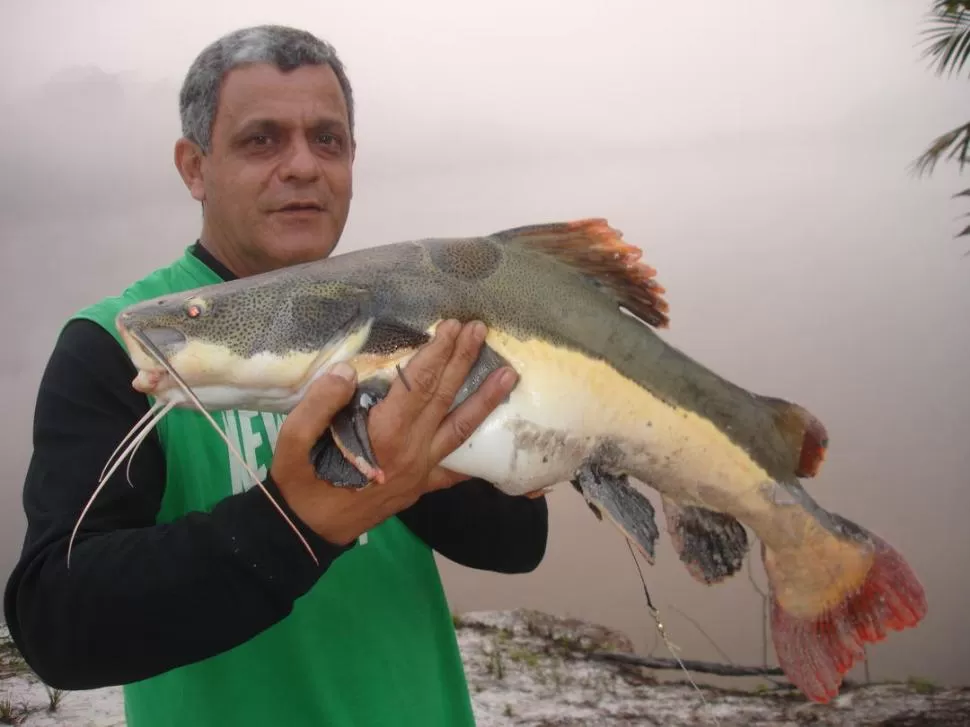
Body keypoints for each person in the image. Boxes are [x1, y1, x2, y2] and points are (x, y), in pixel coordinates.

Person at [3, 24, 549, 727]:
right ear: (194, 167)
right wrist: (298, 519)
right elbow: (58, 623)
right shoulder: (130, 345)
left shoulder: (400, 313)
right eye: (262, 140)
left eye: (328, 140)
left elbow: (515, 545)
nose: (303, 166)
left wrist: (411, 465)